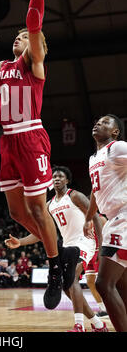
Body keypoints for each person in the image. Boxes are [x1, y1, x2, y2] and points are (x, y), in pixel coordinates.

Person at [0, 0, 78, 309]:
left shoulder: (35, 64)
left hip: (31, 136)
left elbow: (34, 22)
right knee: (17, 212)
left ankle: (54, 267)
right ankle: (59, 246)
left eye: (24, 37)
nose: (19, 37)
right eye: (15, 36)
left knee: (36, 209)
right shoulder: (3, 67)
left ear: (36, 47)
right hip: (7, 142)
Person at [5, 165, 108, 332]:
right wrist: (21, 242)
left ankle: (79, 326)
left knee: (72, 277)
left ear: (67, 180)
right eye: (54, 177)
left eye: (60, 176)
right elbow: (41, 233)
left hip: (84, 242)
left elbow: (95, 216)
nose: (57, 179)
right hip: (67, 245)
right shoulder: (48, 205)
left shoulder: (75, 196)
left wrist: (101, 246)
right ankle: (97, 323)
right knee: (66, 285)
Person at [84, 114, 127, 332]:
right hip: (114, 218)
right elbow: (95, 190)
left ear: (115, 132)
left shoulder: (117, 147)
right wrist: (88, 217)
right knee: (121, 285)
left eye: (105, 122)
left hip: (124, 217)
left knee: (103, 284)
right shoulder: (94, 157)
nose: (98, 123)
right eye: (97, 121)